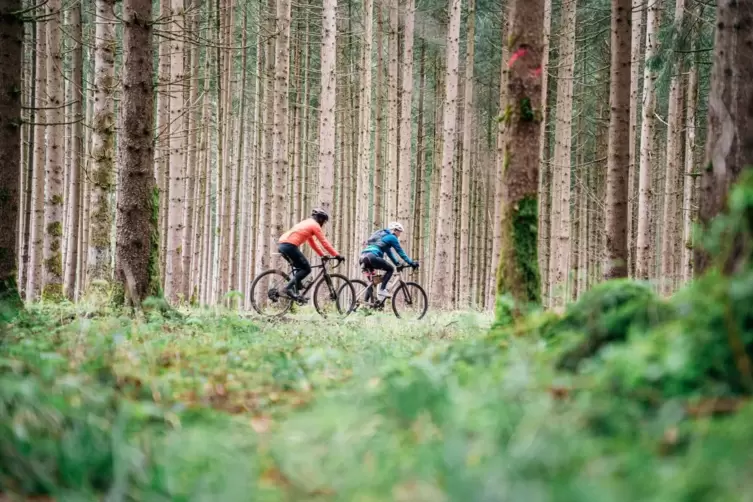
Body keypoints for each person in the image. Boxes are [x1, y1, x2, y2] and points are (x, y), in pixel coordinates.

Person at [278, 208, 343, 301]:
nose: (322, 224)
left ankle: (296, 294)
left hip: (282, 245)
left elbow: (312, 243)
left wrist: (322, 254)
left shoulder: (307, 223)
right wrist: (337, 255)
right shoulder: (315, 225)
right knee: (306, 269)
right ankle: (287, 289)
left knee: (300, 269)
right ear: (320, 219)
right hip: (289, 246)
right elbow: (324, 242)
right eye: (323, 222)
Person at [359, 222, 419, 301]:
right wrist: (411, 263)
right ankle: (382, 289)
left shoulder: (383, 239)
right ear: (394, 230)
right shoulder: (392, 237)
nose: (399, 234)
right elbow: (400, 252)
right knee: (390, 269)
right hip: (372, 257)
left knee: (372, 282)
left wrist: (397, 263)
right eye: (399, 232)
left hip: (363, 258)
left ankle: (365, 303)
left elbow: (390, 255)